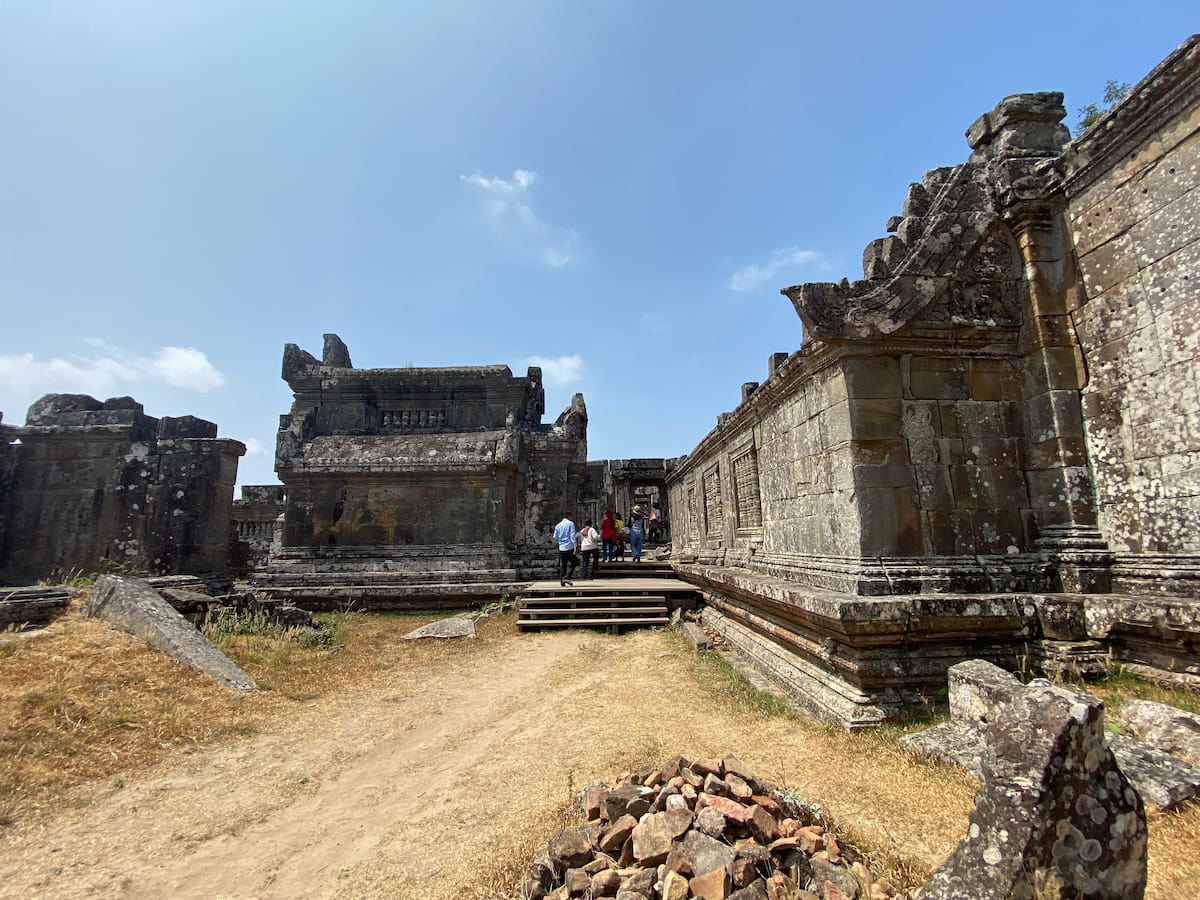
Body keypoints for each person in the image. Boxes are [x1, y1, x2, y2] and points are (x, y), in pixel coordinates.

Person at [553, 514, 577, 586]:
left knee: (564, 565)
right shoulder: (570, 524)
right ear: (569, 516)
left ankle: (562, 581)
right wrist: (575, 546)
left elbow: (555, 537)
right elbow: (572, 536)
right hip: (569, 546)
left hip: (561, 547)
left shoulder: (558, 525)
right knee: (574, 562)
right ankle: (567, 577)